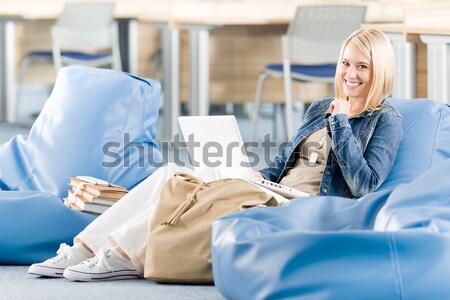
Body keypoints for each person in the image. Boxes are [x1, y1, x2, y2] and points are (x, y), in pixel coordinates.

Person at [28, 28, 403, 281]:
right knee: (171, 172)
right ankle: (84, 247)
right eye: (345, 63)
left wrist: (340, 125)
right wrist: (257, 173)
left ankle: (120, 256)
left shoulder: (385, 120)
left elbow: (363, 185)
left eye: (361, 67)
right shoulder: (321, 105)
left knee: (203, 181)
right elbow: (283, 163)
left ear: (379, 70)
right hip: (276, 191)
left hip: (310, 206)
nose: (350, 74)